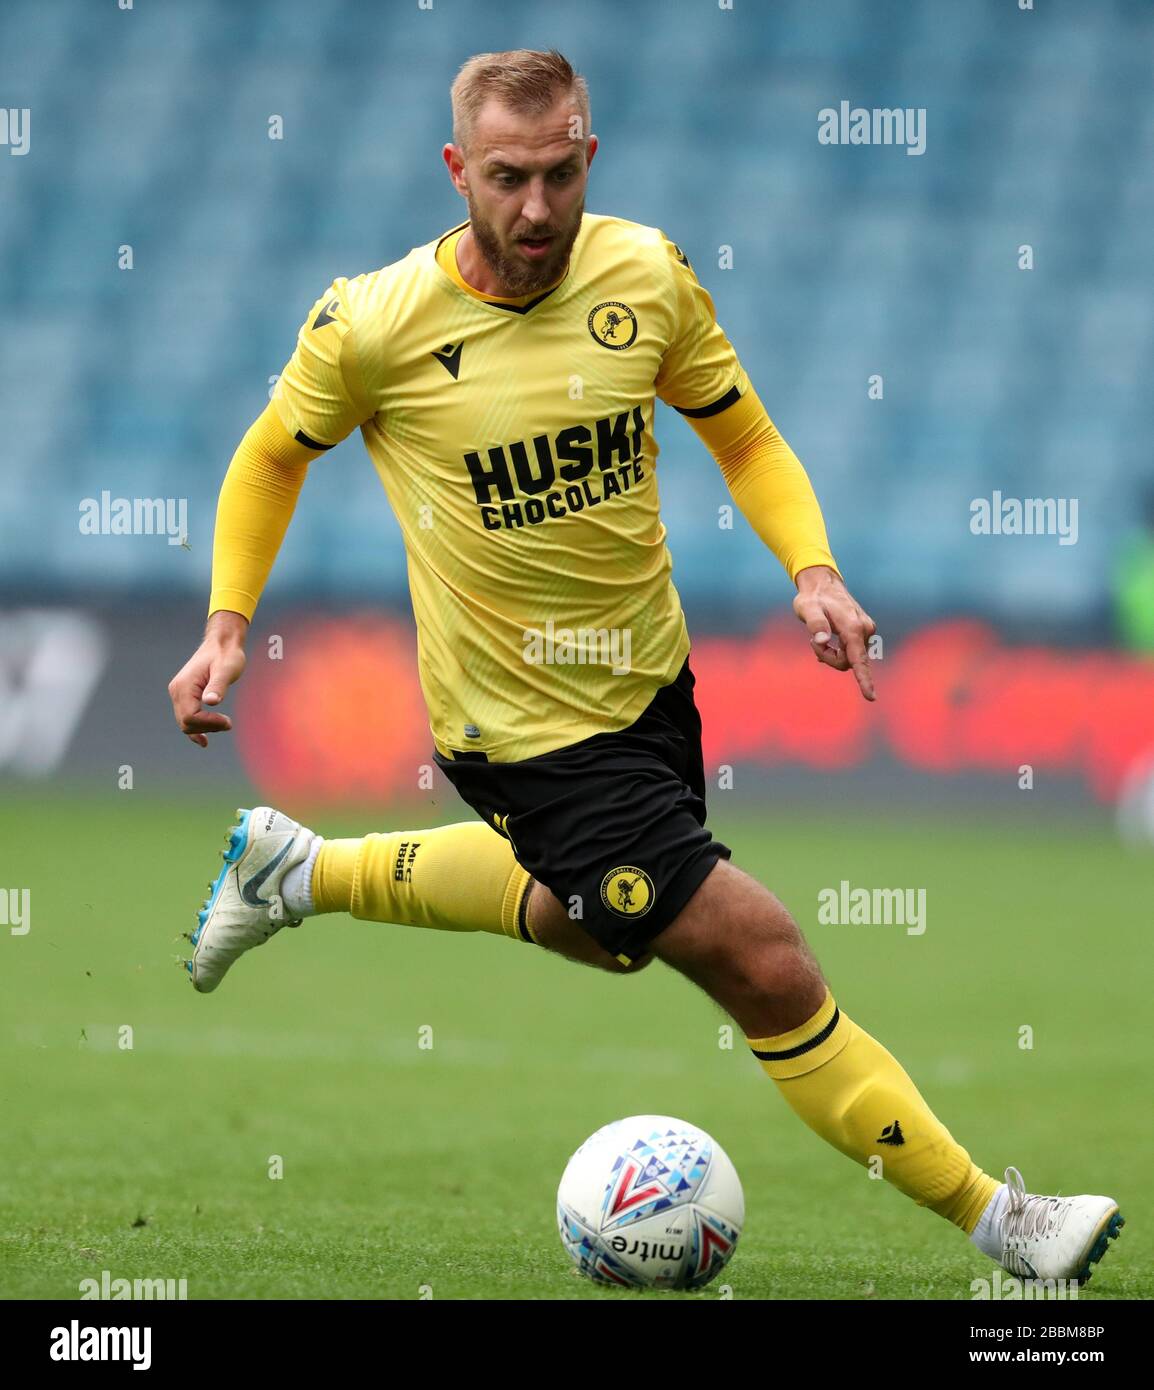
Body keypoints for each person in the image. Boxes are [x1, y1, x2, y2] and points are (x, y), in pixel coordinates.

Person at [168, 48, 1122, 1288]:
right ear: (456, 169)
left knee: (604, 927)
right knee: (762, 959)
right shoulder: (374, 324)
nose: (534, 210)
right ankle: (1006, 1223)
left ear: (589, 158)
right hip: (518, 734)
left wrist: (812, 569)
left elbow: (743, 432)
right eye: (506, 178)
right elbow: (267, 456)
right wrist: (229, 623)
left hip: (649, 688)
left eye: (560, 175)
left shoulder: (642, 274)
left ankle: (299, 868)